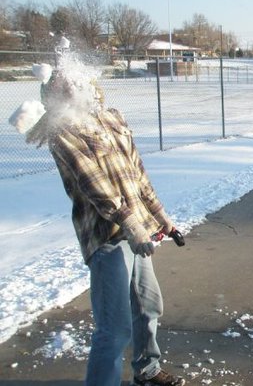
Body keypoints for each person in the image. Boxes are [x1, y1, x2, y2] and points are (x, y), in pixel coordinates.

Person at [22, 64, 186, 386]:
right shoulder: (62, 130)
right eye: (69, 86)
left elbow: (136, 172)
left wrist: (161, 216)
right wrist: (132, 226)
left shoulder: (112, 118)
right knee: (115, 327)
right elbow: (93, 183)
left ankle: (148, 370)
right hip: (107, 237)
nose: (82, 88)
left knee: (149, 306)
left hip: (137, 230)